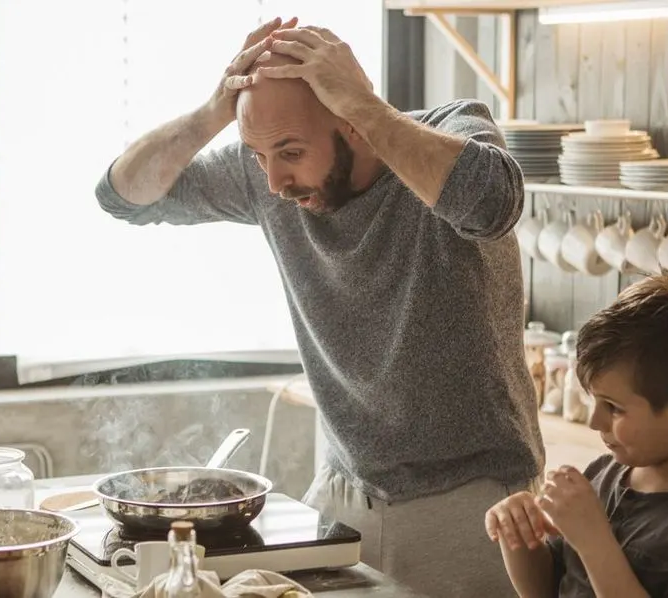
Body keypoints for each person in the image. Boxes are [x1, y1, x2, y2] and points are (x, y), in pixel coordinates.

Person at [95, 17, 541, 597]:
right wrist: (214, 111)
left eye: (290, 152)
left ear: (352, 125)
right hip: (342, 496)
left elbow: (493, 202)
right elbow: (122, 196)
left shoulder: (452, 129)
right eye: (257, 154)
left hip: (470, 503)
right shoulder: (266, 172)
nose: (274, 179)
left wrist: (367, 106)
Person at [484, 276, 668, 597]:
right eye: (594, 400)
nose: (594, 421)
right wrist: (521, 537)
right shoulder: (602, 474)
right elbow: (547, 591)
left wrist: (594, 541)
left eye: (614, 408)